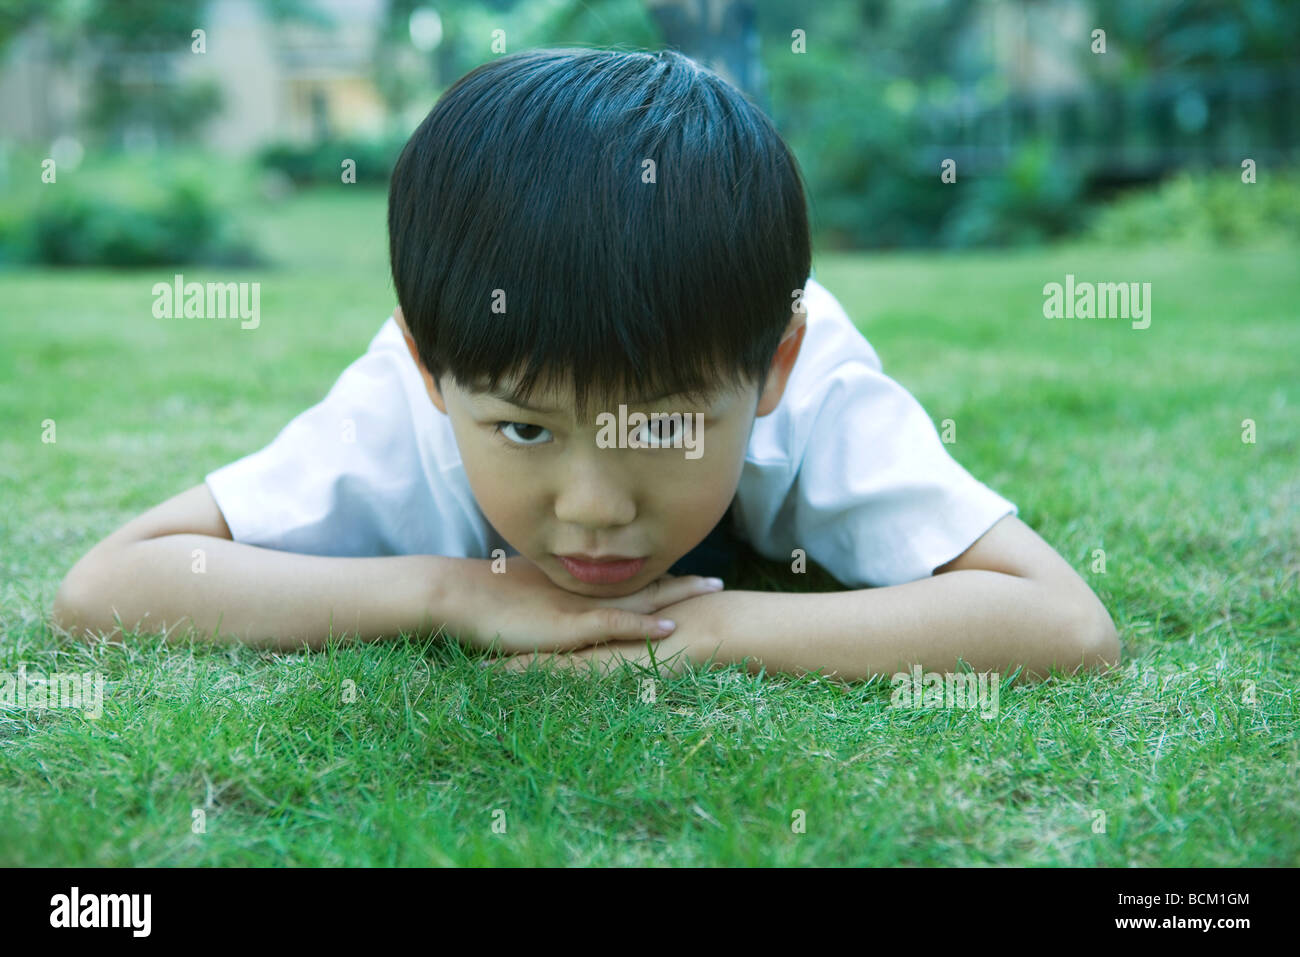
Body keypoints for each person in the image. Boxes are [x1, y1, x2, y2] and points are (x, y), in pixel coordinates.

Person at [52, 48, 1119, 682]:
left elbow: (1063, 623)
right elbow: (109, 585)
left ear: (770, 370)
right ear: (430, 372)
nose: (594, 508)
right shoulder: (421, 394)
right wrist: (449, 592)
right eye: (526, 432)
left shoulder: (800, 372)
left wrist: (712, 627)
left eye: (658, 426)